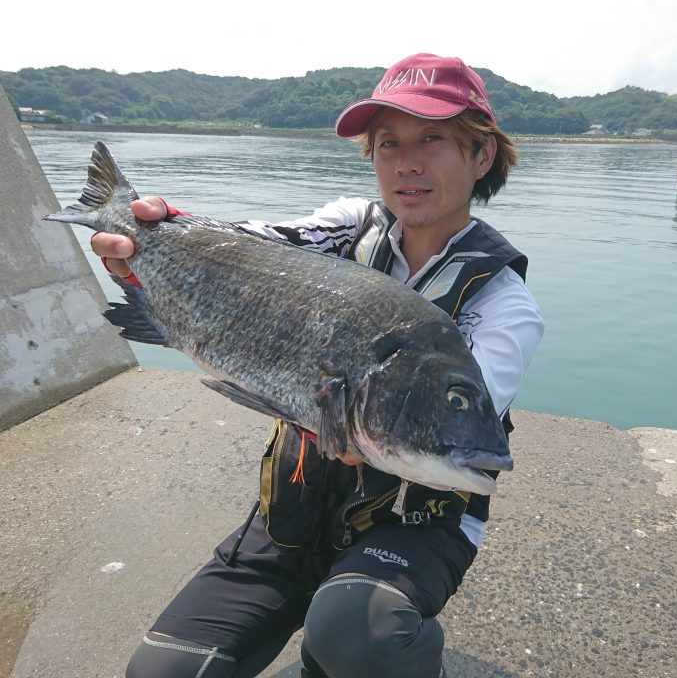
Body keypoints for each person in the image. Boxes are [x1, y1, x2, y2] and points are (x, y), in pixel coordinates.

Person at [93, 53, 545, 678]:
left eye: (433, 139)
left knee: (354, 637)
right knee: (162, 673)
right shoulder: (347, 228)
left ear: (482, 156)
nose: (407, 161)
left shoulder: (502, 304)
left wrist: (377, 421)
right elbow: (253, 245)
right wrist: (155, 232)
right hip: (295, 510)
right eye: (389, 143)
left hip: (415, 523)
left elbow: (455, 425)